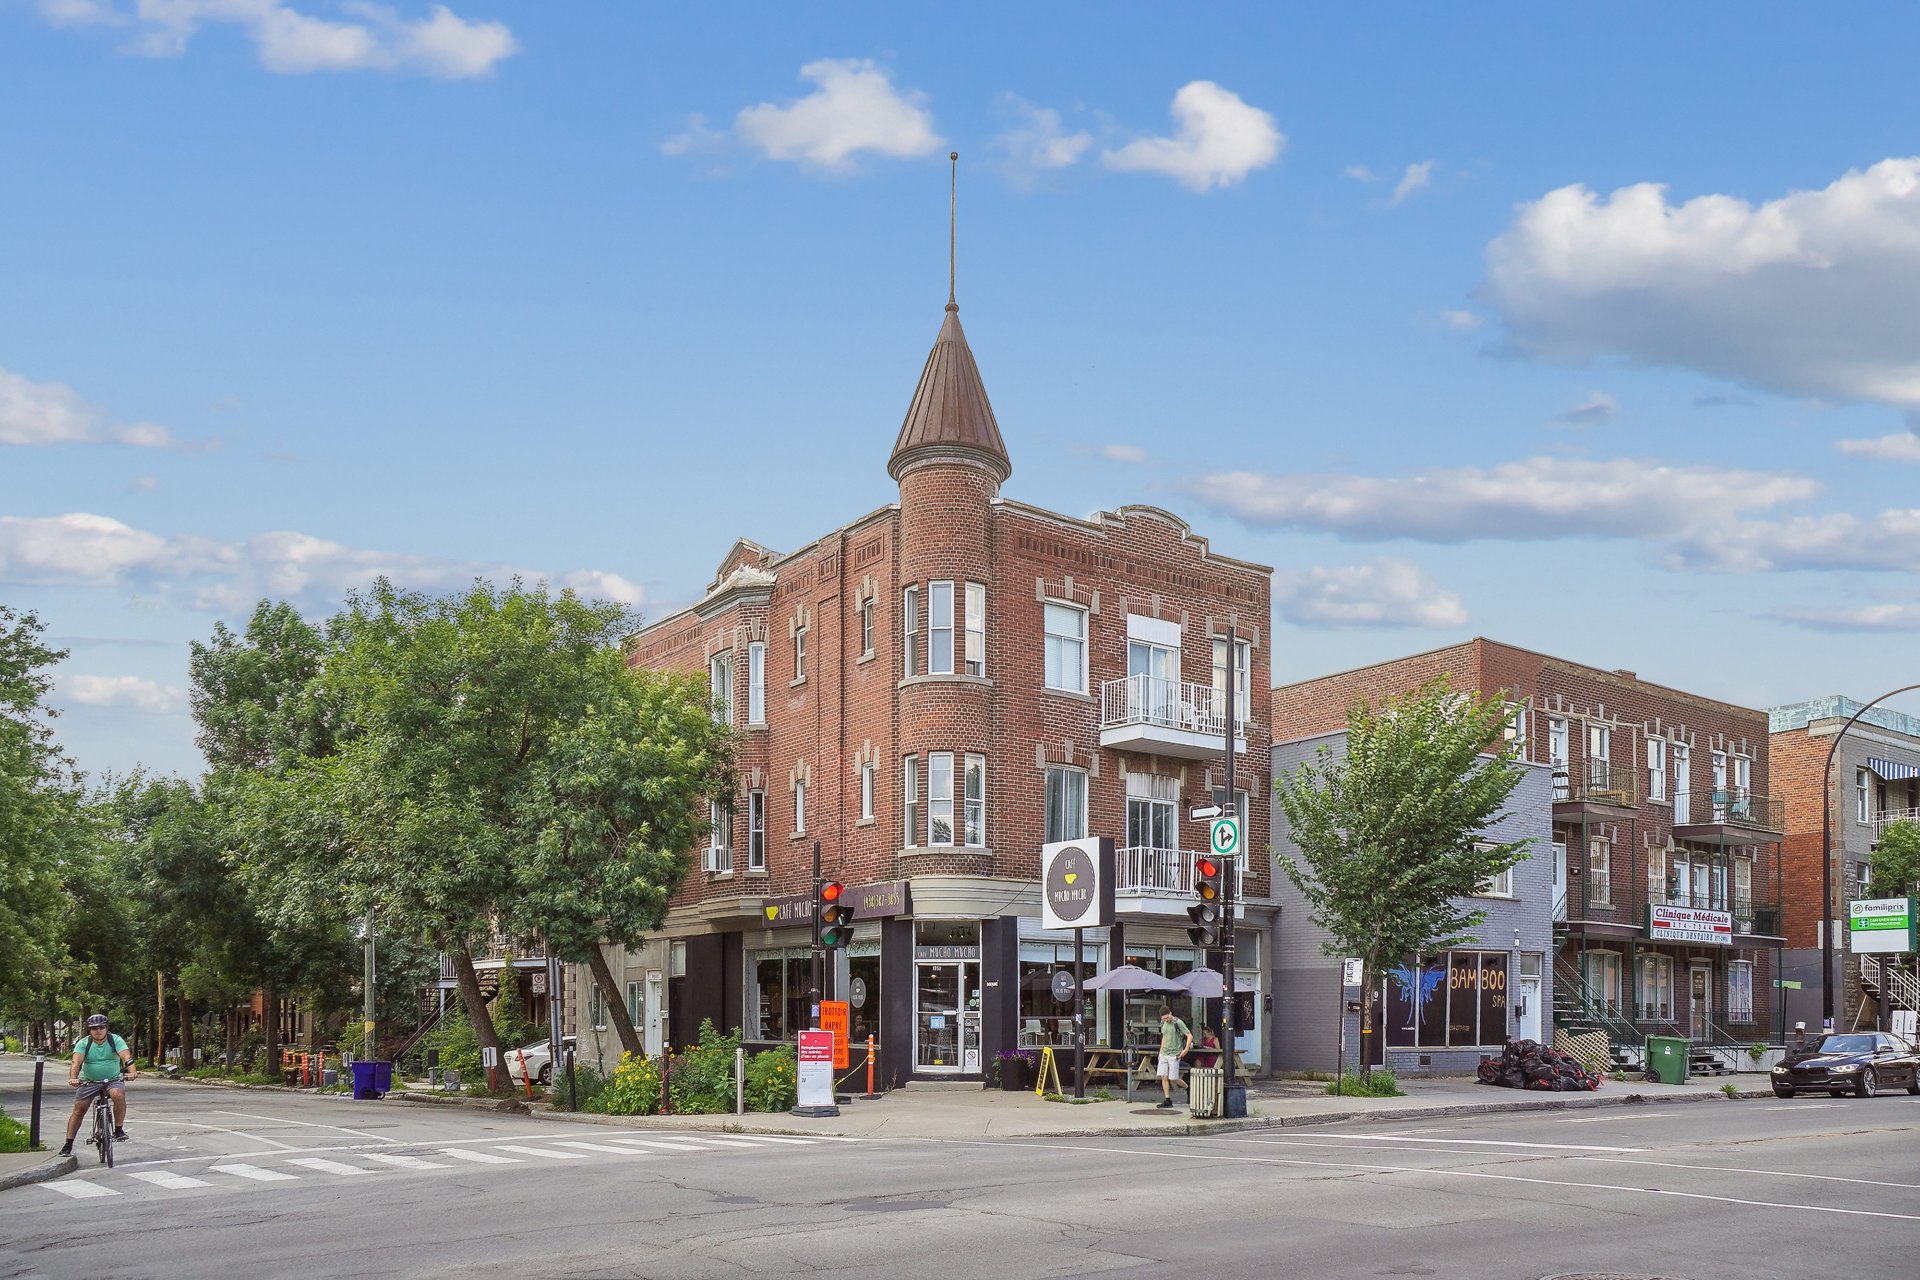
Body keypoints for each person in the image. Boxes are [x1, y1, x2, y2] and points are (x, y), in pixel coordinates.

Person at [62, 1014, 136, 1156]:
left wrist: (132, 1072)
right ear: (89, 1030)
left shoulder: (115, 1040)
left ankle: (118, 1130)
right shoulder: (84, 1043)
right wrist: (73, 1078)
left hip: (113, 1079)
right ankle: (68, 1144)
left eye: (101, 1027)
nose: (98, 1031)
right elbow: (76, 1062)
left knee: (118, 1095)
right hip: (88, 1080)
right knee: (79, 1109)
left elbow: (126, 1057)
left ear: (106, 1028)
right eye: (94, 1028)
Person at [1155, 1005, 1191, 1109]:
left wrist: (1186, 1049)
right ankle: (1167, 1100)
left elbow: (1189, 1035)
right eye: (1164, 1018)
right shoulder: (1163, 1024)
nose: (1166, 1020)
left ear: (1170, 1013)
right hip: (1164, 1053)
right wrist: (1160, 1052)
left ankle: (1188, 1087)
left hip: (1175, 1054)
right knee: (1163, 1076)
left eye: (1167, 1017)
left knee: (1173, 1077)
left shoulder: (1178, 1022)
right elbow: (1164, 1037)